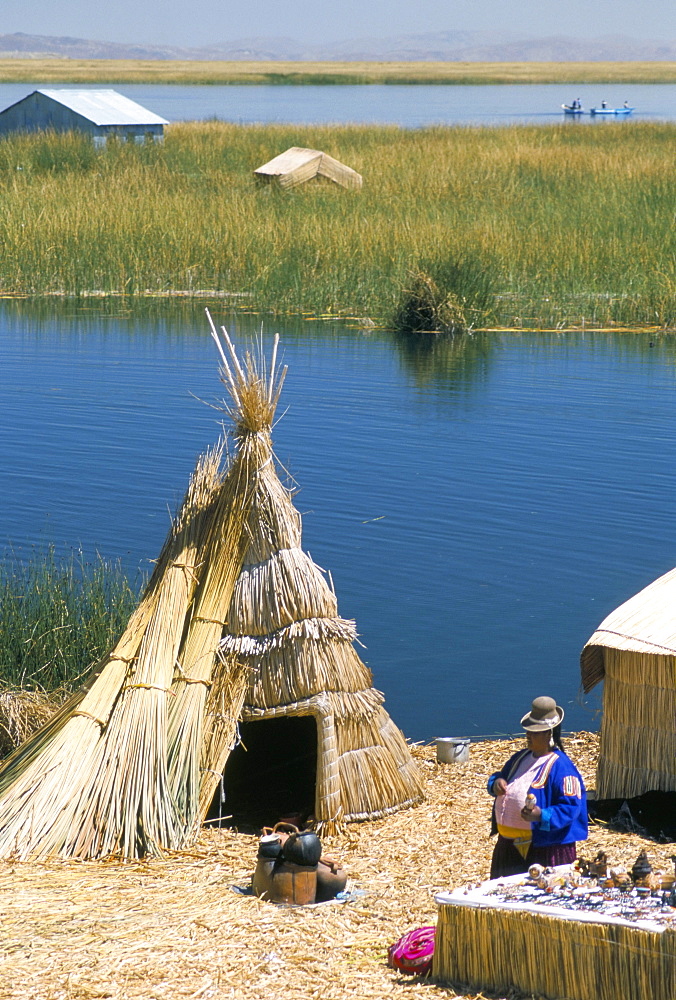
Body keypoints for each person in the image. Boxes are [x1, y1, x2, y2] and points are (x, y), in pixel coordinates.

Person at [487, 696, 587, 879]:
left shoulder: (562, 768)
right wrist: (496, 784)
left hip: (546, 851)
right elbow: (499, 776)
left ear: (548, 733)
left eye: (535, 732)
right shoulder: (520, 758)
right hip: (508, 848)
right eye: (528, 731)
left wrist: (541, 815)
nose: (528, 736)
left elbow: (571, 807)